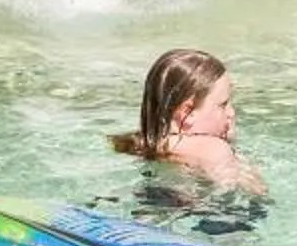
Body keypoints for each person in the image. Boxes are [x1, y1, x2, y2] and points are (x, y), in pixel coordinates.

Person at [110, 48, 268, 200]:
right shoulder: (214, 149)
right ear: (186, 113)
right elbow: (254, 192)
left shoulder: (135, 142)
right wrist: (232, 148)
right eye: (223, 105)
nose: (231, 113)